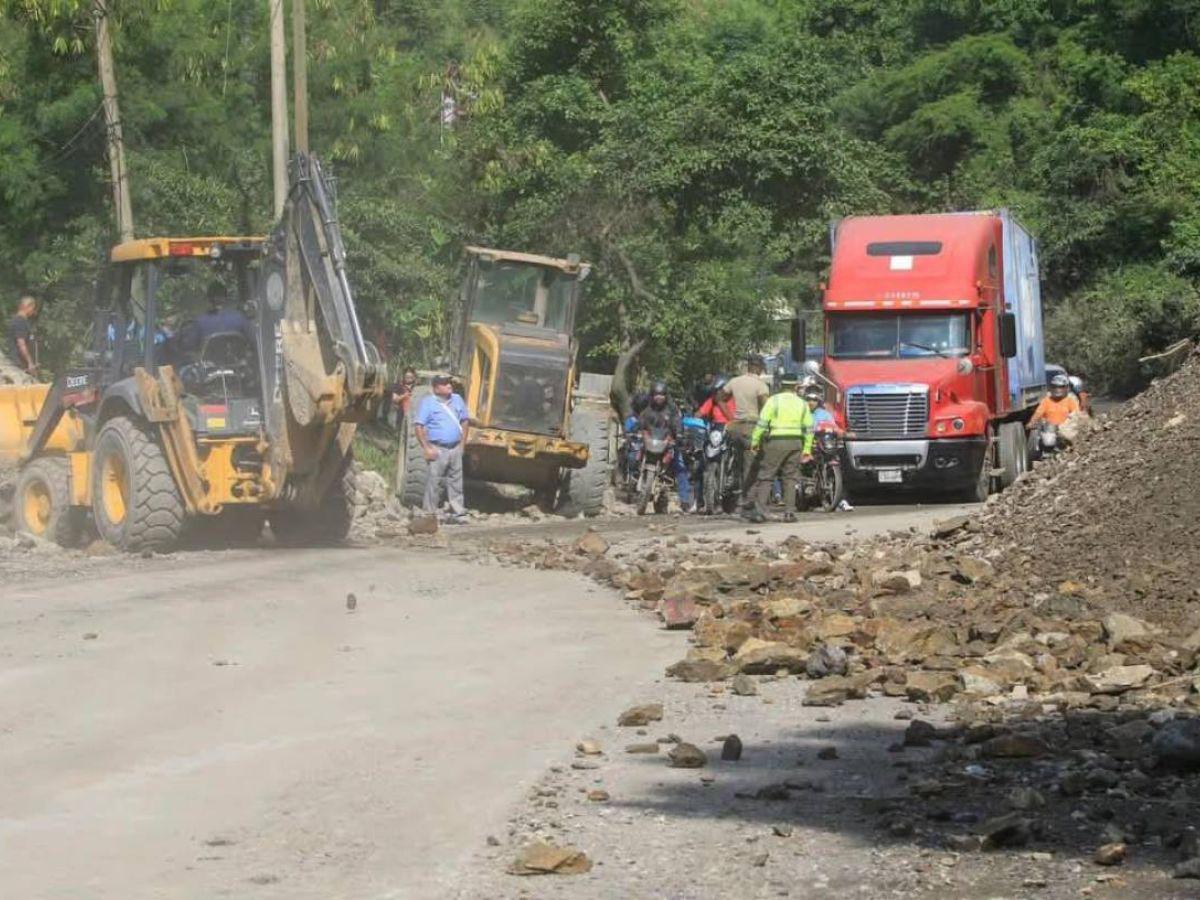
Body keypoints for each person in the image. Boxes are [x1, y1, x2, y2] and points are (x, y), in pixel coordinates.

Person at [745, 373, 813, 523]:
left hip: (776, 441)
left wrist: (755, 441)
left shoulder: (773, 401)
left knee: (766, 476)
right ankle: (789, 513)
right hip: (796, 442)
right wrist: (807, 449)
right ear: (796, 386)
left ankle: (760, 512)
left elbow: (762, 423)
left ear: (781, 386)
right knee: (790, 478)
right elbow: (809, 428)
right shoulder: (802, 403)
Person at [414, 374, 472, 523]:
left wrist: (462, 445)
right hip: (437, 448)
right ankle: (429, 514)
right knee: (434, 481)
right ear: (436, 388)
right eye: (445, 384)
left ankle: (458, 513)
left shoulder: (457, 399)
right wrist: (426, 448)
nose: (449, 386)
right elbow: (419, 426)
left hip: (455, 448)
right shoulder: (428, 403)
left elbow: (465, 422)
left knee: (456, 482)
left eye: (449, 383)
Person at [637, 380, 693, 510]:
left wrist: (679, 434)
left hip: (666, 442)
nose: (659, 397)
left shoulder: (672, 409)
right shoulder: (646, 408)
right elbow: (639, 420)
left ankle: (685, 500)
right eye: (656, 394)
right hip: (649, 440)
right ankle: (629, 483)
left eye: (662, 394)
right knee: (632, 454)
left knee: (680, 466)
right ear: (652, 394)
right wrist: (635, 430)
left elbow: (677, 422)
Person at [724, 355, 771, 504]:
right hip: (751, 428)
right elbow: (766, 408)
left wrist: (730, 417)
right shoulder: (761, 385)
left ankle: (731, 483)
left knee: (736, 459)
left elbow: (719, 398)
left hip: (735, 427)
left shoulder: (734, 381)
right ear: (759, 368)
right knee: (752, 465)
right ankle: (748, 501)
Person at [6, 295, 39, 379]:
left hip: (24, 365)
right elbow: (21, 344)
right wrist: (30, 363)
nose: (34, 311)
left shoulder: (23, 321)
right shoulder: (19, 321)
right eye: (33, 308)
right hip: (20, 365)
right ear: (28, 306)